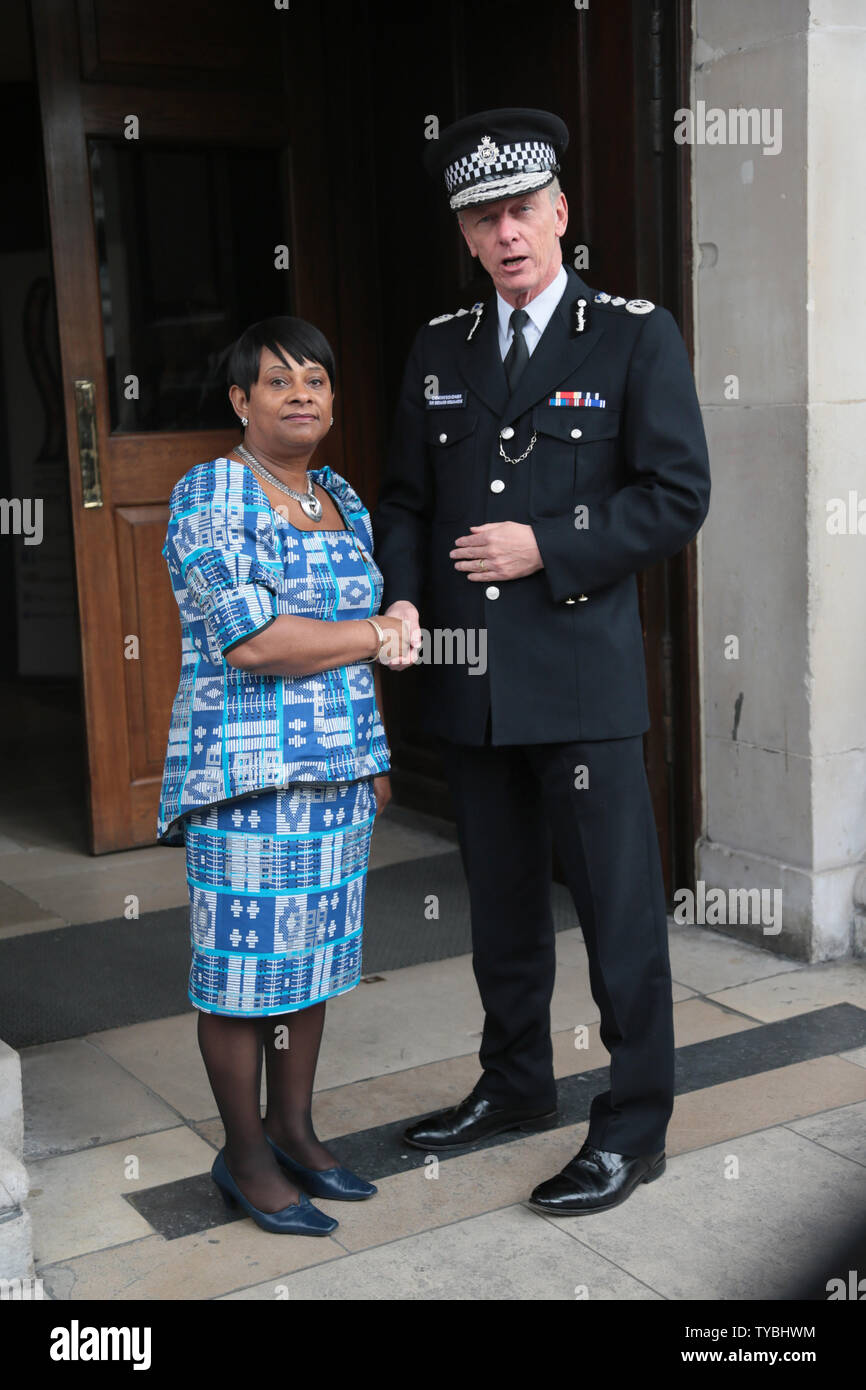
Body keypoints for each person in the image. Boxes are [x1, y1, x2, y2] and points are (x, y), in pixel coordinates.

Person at [373, 109, 711, 1216]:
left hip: (578, 677)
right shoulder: (438, 348)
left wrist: (546, 546)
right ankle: (516, 1082)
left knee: (616, 913)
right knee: (502, 907)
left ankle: (633, 1124)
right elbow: (410, 502)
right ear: (464, 235)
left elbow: (673, 496)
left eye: (522, 209)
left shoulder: (632, 335)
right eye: (483, 216)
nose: (506, 232)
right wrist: (405, 591)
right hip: (469, 679)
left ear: (559, 213)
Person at [158, 316, 410, 1235]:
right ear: (241, 400)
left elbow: (346, 656)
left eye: (316, 379)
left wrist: (374, 752)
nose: (302, 393)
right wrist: (381, 632)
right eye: (278, 380)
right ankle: (246, 1157)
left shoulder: (341, 491)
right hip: (249, 771)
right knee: (239, 972)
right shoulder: (211, 493)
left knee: (308, 956)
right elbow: (253, 640)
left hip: (339, 771)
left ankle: (296, 1130)